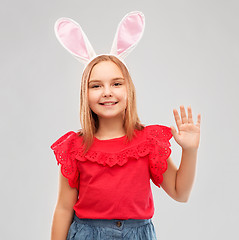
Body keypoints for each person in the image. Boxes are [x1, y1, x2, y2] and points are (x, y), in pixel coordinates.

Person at [50, 11, 201, 240]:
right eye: (96, 86)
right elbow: (63, 207)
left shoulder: (148, 143)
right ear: (85, 94)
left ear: (128, 90)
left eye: (116, 83)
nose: (107, 92)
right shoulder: (75, 148)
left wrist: (190, 151)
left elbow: (180, 193)